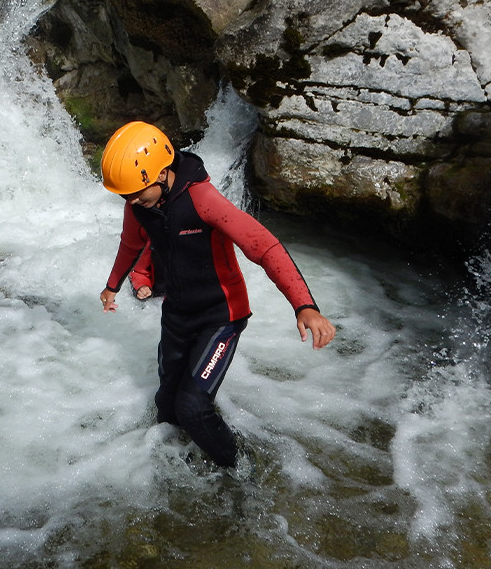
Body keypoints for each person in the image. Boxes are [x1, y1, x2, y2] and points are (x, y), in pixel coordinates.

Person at [98, 121, 335, 468]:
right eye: (124, 195)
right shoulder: (138, 205)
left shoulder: (203, 199)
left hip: (220, 317)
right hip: (177, 314)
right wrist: (112, 285)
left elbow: (263, 246)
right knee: (167, 407)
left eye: (136, 192)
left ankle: (240, 471)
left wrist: (305, 306)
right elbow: (131, 243)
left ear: (162, 173)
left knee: (192, 408)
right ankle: (180, 465)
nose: (131, 201)